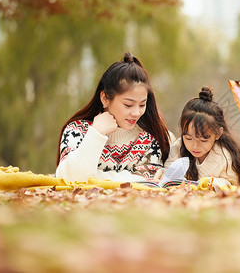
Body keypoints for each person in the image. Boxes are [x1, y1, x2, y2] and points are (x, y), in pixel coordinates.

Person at [56, 52, 171, 182]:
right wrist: (96, 134)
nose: (137, 112)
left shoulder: (149, 138)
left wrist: (95, 176)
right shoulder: (77, 131)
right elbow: (70, 178)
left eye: (142, 104)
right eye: (128, 105)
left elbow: (149, 182)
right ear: (105, 98)